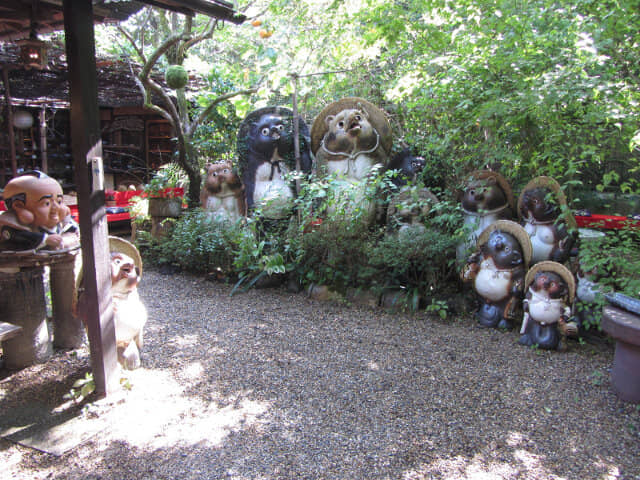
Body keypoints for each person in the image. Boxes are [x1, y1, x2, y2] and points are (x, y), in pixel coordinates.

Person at [0, 171, 79, 251]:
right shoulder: (11, 225)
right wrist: (45, 240)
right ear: (18, 206)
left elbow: (72, 230)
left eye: (59, 201)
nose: (56, 207)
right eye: (47, 203)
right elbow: (16, 240)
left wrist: (71, 235)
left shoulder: (62, 222)